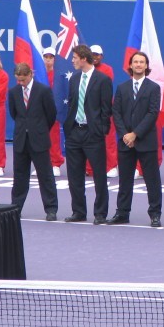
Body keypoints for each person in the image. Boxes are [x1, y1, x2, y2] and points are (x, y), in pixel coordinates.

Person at [107, 51, 163, 227]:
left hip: (146, 142)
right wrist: (125, 134)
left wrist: (135, 134)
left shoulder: (154, 88)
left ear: (146, 66)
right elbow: (116, 112)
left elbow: (152, 113)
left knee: (152, 180)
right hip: (125, 143)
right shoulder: (122, 88)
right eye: (135, 62)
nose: (138, 65)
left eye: (142, 62)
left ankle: (155, 214)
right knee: (125, 180)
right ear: (130, 66)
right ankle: (122, 213)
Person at [63, 44, 113, 225]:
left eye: (75, 57)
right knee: (74, 175)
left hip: (93, 134)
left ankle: (100, 213)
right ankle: (78, 211)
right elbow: (72, 104)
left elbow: (106, 109)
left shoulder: (103, 80)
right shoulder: (74, 78)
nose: (73, 61)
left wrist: (100, 130)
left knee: (99, 175)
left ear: (83, 58)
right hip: (75, 132)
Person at [9, 63, 58, 221]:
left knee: (45, 176)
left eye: (23, 80)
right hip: (21, 140)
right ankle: (16, 207)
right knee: (20, 176)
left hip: (39, 140)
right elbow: (14, 113)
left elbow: (51, 114)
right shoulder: (14, 92)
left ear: (30, 75)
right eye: (18, 80)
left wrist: (39, 129)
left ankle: (51, 209)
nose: (21, 83)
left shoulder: (43, 90)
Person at [88, 44, 118, 178]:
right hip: (89, 109)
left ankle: (111, 166)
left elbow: (102, 88)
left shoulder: (107, 69)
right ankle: (89, 168)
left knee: (108, 138)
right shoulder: (85, 69)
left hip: (105, 108)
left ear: (101, 56)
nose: (95, 57)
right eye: (92, 54)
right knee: (88, 139)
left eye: (97, 55)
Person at [42, 47, 65, 177]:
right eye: (46, 57)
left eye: (51, 58)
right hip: (41, 111)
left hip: (54, 110)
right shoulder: (39, 74)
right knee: (41, 138)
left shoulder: (58, 75)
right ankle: (45, 163)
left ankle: (56, 163)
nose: (48, 60)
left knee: (54, 137)